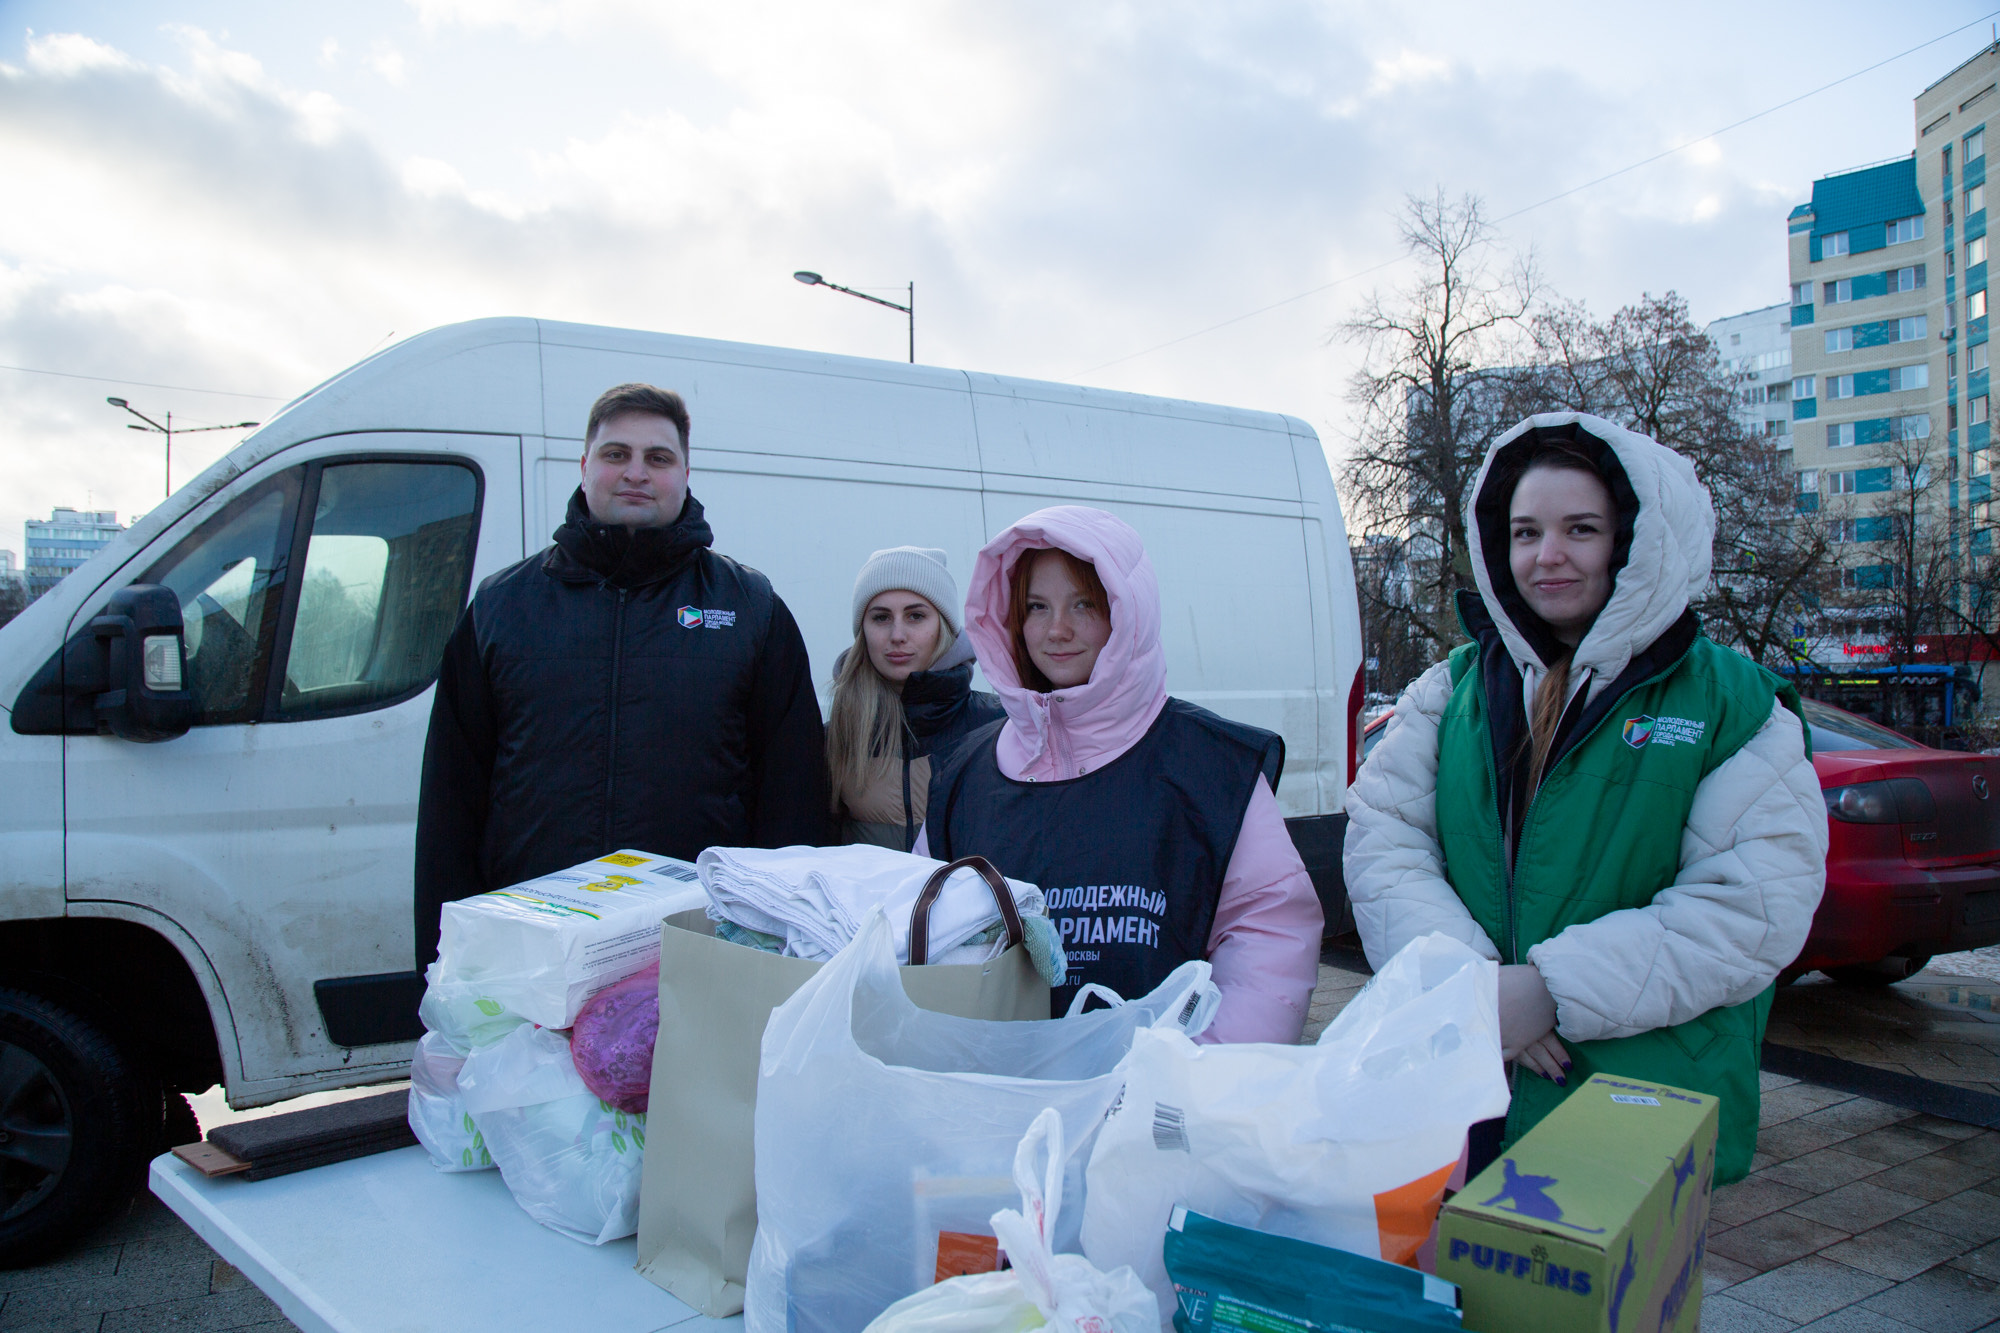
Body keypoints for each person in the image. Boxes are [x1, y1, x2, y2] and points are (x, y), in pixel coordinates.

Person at [1342, 412, 1827, 1184]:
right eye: (1527, 532)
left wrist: (1550, 993)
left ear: (1635, 541)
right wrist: (1478, 994)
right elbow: (1384, 842)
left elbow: (1752, 906)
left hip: (1635, 1102)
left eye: (1582, 528)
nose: (1548, 556)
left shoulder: (1733, 704)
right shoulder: (1454, 688)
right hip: (1464, 1091)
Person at [413, 382, 829, 967]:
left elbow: (793, 802)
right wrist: (442, 967)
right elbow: (450, 806)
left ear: (686, 472)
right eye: (616, 454)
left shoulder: (750, 609)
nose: (636, 472)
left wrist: (780, 957)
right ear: (585, 467)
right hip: (532, 947)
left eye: (658, 458)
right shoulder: (501, 607)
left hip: (698, 948)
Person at [918, 505, 1323, 1041]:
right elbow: (924, 934)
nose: (1056, 629)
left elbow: (1267, 933)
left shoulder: (1210, 767)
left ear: (1126, 611)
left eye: (1083, 603)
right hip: (1001, 1104)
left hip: (1155, 1103)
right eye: (1038, 606)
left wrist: (1197, 1085)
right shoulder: (967, 775)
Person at [827, 546, 1004, 851]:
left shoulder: (998, 726)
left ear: (944, 627)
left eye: (916, 616)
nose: (897, 634)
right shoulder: (836, 734)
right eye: (881, 618)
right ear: (863, 631)